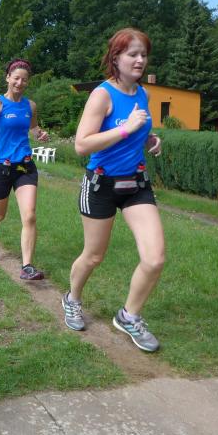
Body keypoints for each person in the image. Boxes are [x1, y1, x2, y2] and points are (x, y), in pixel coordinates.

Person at [62, 27, 164, 353]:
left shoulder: (143, 93)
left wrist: (148, 138)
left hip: (135, 185)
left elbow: (137, 131)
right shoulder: (102, 95)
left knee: (155, 259)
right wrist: (126, 130)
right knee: (94, 256)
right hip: (101, 185)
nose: (140, 60)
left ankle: (129, 316)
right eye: (132, 54)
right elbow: (82, 144)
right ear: (116, 58)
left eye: (143, 54)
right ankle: (72, 298)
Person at [0, 59, 50, 281]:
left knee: (30, 216)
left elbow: (33, 127)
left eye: (24, 79)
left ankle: (27, 266)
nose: (20, 83)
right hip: (1, 168)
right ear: (8, 78)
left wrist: (40, 134)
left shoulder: (30, 106)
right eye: (16, 78)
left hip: (25, 166)